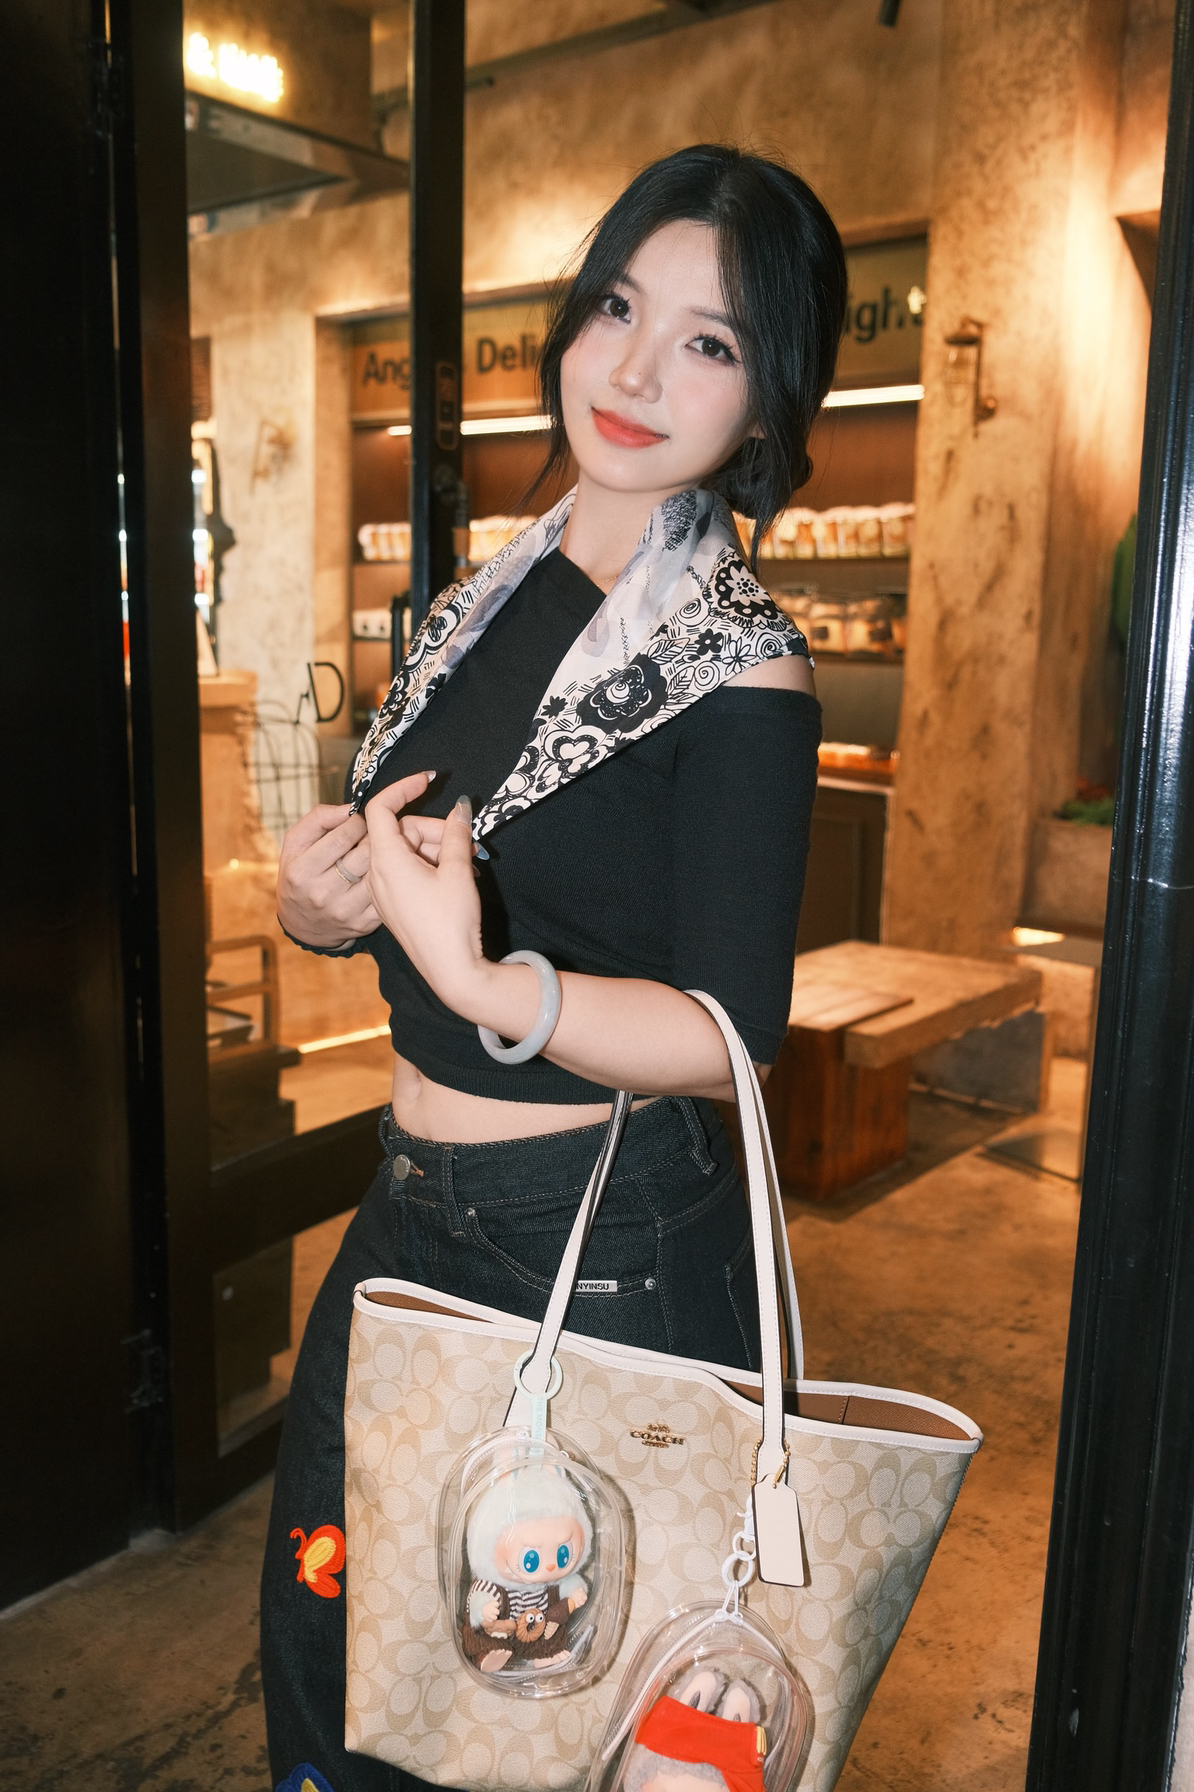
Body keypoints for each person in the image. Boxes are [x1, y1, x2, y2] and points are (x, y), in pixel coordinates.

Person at [261, 142, 847, 1792]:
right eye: (616, 309)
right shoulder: (486, 601)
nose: (638, 371)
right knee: (336, 1655)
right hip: (408, 1205)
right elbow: (432, 876)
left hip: (601, 1245)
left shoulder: (741, 668)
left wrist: (488, 988)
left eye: (709, 341)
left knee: (545, 1724)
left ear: (768, 393)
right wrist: (329, 910)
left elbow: (730, 1034)